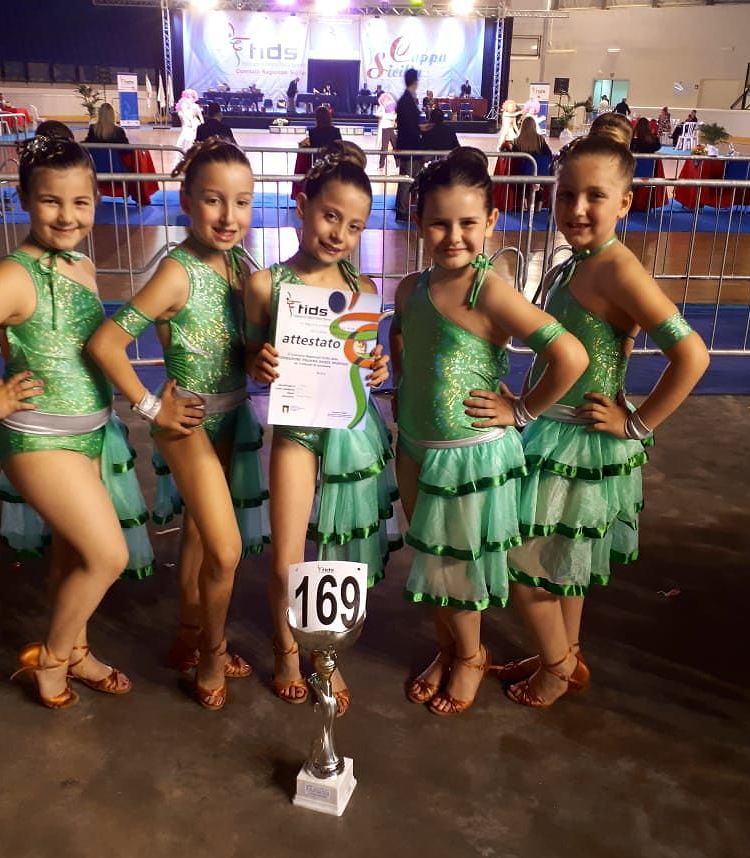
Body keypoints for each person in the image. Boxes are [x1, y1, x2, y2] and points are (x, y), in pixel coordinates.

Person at [0, 135, 154, 708]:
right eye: (50, 201)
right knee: (108, 555)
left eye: (80, 203)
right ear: (24, 199)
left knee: (74, 555)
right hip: (40, 439)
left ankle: (79, 651)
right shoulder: (14, 276)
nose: (67, 216)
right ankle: (51, 658)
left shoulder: (81, 264)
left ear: (96, 202)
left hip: (88, 434)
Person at [494, 132, 710, 709]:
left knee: (520, 562)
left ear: (625, 202)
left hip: (579, 442)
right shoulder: (579, 262)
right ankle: (563, 654)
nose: (578, 208)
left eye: (595, 195)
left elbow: (692, 355)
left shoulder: (617, 268)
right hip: (557, 431)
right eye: (566, 194)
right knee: (563, 562)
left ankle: (556, 668)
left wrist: (637, 423)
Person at [391, 148, 587, 716]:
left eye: (467, 223)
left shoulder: (490, 291)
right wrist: (398, 382)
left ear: (490, 222)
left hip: (469, 455)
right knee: (431, 557)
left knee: (458, 565)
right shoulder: (409, 288)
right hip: (414, 446)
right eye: (439, 223)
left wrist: (522, 410)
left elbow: (570, 356)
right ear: (418, 221)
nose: (453, 236)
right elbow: (402, 336)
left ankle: (472, 657)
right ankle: (450, 649)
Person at [88, 139, 264, 711]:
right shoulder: (175, 271)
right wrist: (149, 407)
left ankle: (189, 634)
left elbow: (245, 347)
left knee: (200, 535)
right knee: (226, 550)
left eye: (242, 202)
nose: (229, 216)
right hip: (187, 424)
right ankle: (213, 651)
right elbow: (106, 343)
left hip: (231, 416)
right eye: (214, 200)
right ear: (186, 201)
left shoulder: (238, 266)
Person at [244, 142, 395, 717]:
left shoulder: (363, 291)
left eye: (354, 226)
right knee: (288, 554)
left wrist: (377, 366)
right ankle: (286, 649)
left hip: (349, 430)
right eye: (331, 216)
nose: (340, 234)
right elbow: (246, 354)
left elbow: (365, 358)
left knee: (336, 551)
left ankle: (325, 654)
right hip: (296, 432)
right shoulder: (265, 286)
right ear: (302, 204)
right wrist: (258, 361)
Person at [394, 68, 423, 220]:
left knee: (406, 177)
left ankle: (401, 207)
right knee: (407, 179)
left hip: (407, 144)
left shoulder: (406, 99)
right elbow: (410, 127)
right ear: (415, 81)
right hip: (410, 146)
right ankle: (402, 210)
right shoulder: (407, 101)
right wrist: (420, 131)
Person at [377, 93, 398, 172]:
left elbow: (394, 116)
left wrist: (391, 116)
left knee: (395, 146)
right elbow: (378, 114)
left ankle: (398, 164)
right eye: (384, 100)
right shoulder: (382, 108)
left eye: (387, 99)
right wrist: (387, 115)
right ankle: (381, 165)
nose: (385, 101)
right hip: (385, 129)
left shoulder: (391, 107)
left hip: (390, 128)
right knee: (384, 148)